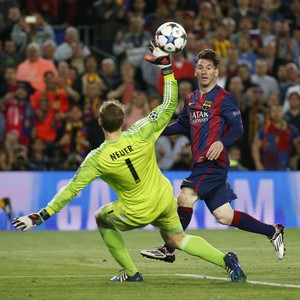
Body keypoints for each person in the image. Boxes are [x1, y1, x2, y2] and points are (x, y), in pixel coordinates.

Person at [12, 42, 246, 283]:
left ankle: (132, 273)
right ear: (123, 120)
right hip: (164, 198)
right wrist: (166, 67)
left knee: (101, 217)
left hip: (138, 210)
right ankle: (226, 260)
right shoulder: (141, 130)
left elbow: (71, 190)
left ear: (101, 123)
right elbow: (168, 105)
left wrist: (40, 216)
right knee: (177, 239)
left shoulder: (97, 159)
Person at [140, 48, 285, 264]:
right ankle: (273, 231)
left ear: (217, 72)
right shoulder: (190, 98)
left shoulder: (225, 98)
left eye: (209, 68)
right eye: (200, 67)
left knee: (185, 196)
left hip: (213, 164)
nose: (205, 71)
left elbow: (238, 129)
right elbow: (182, 125)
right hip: (200, 164)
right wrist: (154, 130)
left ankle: (169, 248)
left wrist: (221, 142)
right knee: (224, 216)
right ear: (196, 71)